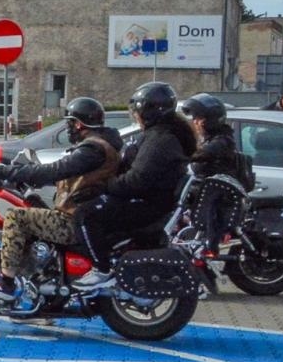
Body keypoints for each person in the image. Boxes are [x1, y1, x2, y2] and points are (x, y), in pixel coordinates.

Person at [74, 81, 198, 289]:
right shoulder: (160, 135)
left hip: (148, 205)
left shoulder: (160, 140)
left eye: (138, 110)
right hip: (150, 201)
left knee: (85, 214)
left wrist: (103, 187)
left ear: (149, 111)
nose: (135, 115)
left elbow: (137, 180)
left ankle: (101, 270)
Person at [0, 97, 123, 290]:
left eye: (70, 122)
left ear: (79, 124)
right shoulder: (101, 144)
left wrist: (6, 171)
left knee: (15, 217)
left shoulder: (93, 148)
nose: (68, 128)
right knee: (30, 203)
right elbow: (70, 177)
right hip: (80, 213)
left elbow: (57, 169)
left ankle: (6, 281)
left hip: (73, 220)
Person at [179, 93, 256, 250]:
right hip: (204, 192)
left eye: (198, 118)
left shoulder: (222, 141)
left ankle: (208, 245)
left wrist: (179, 154)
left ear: (210, 121)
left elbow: (202, 154)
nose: (195, 122)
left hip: (216, 196)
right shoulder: (211, 138)